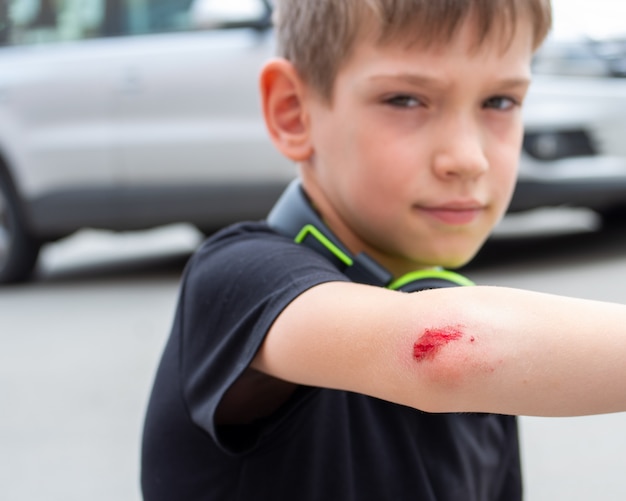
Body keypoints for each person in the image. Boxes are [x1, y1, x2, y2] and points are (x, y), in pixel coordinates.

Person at [141, 1, 626, 499]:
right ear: (294, 111)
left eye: (499, 102)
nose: (466, 158)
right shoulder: (241, 278)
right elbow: (447, 353)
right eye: (406, 100)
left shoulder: (459, 317)